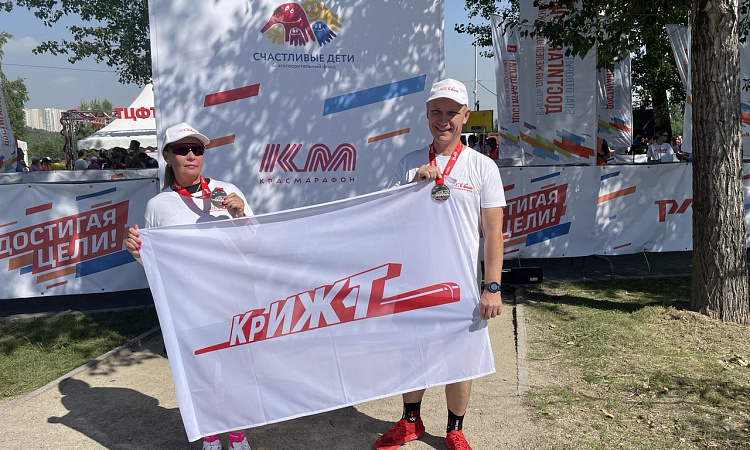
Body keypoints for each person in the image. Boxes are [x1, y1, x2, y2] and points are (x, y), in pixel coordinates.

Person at [375, 78, 506, 450]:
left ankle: (455, 429)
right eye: (436, 112)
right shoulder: (409, 163)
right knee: (412, 354)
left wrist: (492, 287)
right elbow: (387, 219)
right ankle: (410, 422)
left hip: (461, 284)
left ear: (465, 116)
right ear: (427, 114)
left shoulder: (482, 167)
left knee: (460, 360)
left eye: (451, 113)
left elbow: (493, 233)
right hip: (414, 282)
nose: (443, 120)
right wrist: (412, 186)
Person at [124, 122, 252, 450]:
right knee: (199, 373)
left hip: (231, 298)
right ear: (168, 156)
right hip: (188, 305)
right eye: (183, 149)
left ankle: (237, 434)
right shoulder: (158, 206)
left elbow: (255, 242)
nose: (191, 155)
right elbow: (156, 265)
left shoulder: (227, 191)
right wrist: (138, 253)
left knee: (236, 371)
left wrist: (240, 215)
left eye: (197, 149)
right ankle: (210, 435)